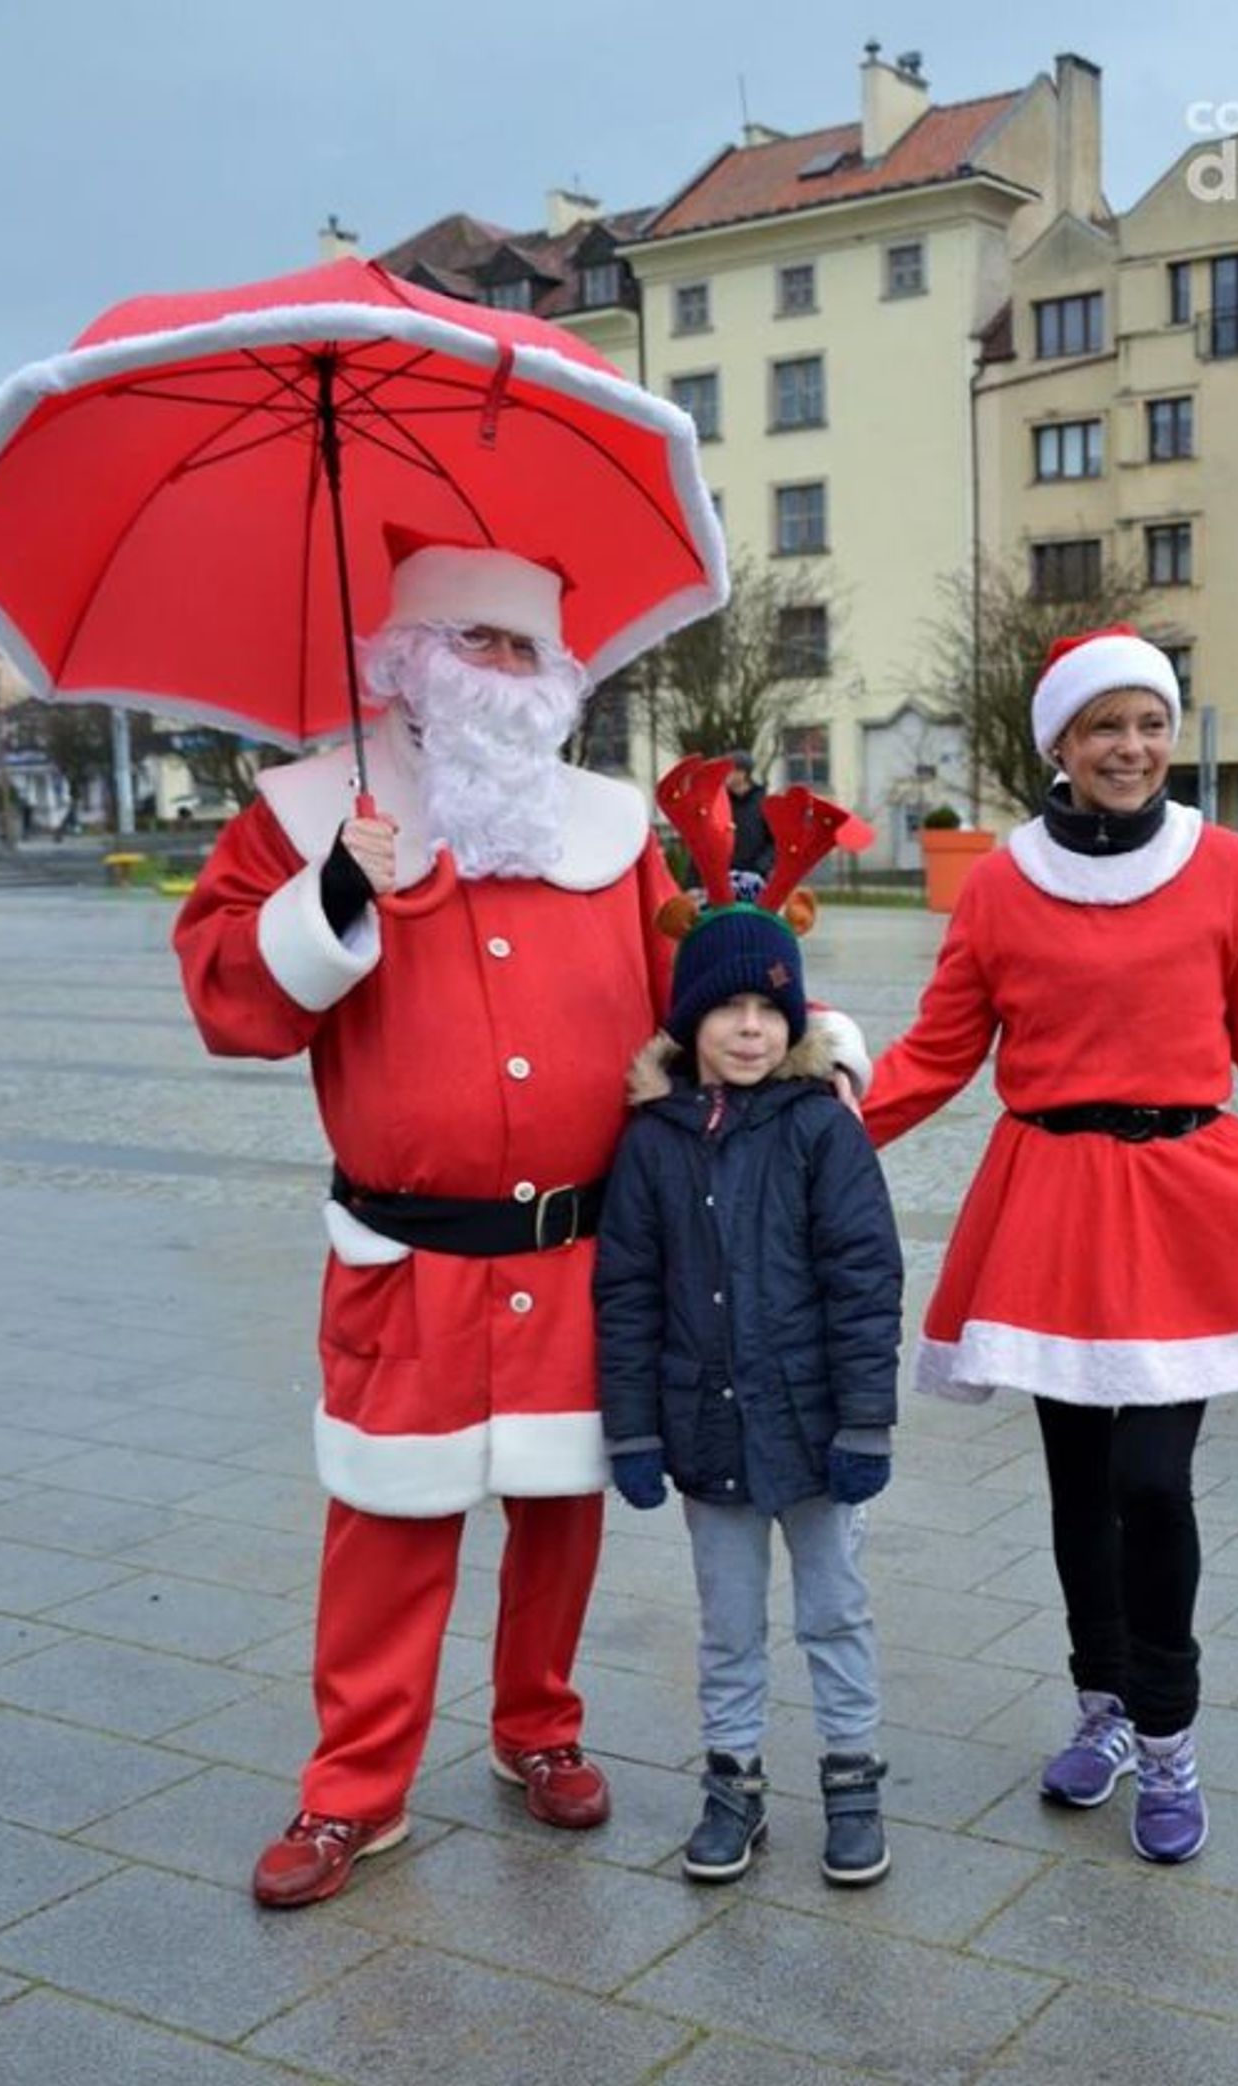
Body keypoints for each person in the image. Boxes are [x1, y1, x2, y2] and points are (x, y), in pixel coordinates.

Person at [175, 531, 872, 1911]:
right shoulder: (307, 815)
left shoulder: (609, 830)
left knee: (562, 1511)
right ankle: (352, 1788)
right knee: (388, 1527)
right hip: (407, 1259)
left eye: (528, 647)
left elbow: (700, 986)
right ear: (407, 659)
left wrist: (811, 1051)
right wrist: (333, 892)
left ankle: (537, 1727)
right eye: (475, 640)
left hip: (581, 1254)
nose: (506, 670)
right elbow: (225, 999)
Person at [860, 623, 1238, 1865]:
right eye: (1106, 727)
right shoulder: (1002, 882)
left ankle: (1169, 1730)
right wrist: (806, 1123)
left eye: (1150, 724)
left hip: (1183, 1203)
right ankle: (1103, 1705)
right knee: (1078, 1486)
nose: (1132, 747)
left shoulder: (1222, 863)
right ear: (1062, 743)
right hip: (1051, 1206)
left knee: (1151, 1478)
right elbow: (939, 1049)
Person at [594, 783, 902, 1889]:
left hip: (817, 1428)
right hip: (707, 1428)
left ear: (797, 1021)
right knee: (727, 1623)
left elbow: (865, 1281)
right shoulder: (652, 1142)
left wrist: (866, 1420)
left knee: (834, 1611)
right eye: (727, 1009)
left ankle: (853, 1779)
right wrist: (633, 1432)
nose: (750, 1028)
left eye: (770, 1009)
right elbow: (627, 1292)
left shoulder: (824, 1129)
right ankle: (733, 1781)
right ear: (690, 1020)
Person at [724, 750, 775, 879]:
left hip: (755, 878)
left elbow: (775, 842)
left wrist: (759, 867)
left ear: (742, 773)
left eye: (728, 770)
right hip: (725, 877)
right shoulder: (722, 803)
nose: (723, 775)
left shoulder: (765, 803)